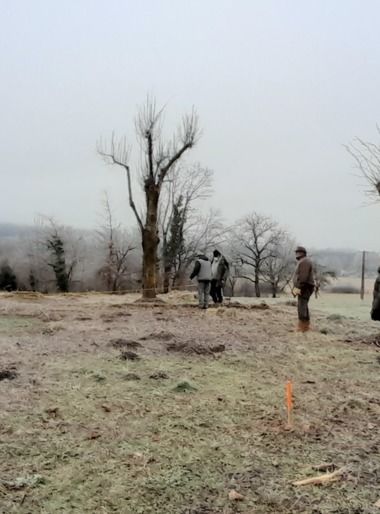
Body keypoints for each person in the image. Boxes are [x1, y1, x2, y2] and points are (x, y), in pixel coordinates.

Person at [293, 246, 315, 332]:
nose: (296, 254)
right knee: (303, 305)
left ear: (302, 253)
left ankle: (303, 327)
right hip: (304, 286)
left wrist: (297, 288)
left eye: (298, 252)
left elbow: (303, 278)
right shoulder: (304, 261)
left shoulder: (304, 262)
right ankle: (305, 326)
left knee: (301, 306)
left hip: (304, 287)